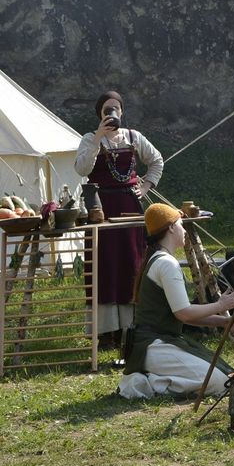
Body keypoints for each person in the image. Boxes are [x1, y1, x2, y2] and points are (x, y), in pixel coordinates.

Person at [118, 203, 234, 399]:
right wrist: (221, 305)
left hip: (160, 343)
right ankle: (146, 383)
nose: (183, 230)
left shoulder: (160, 259)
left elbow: (183, 314)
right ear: (171, 228)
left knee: (226, 374)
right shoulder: (166, 263)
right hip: (152, 346)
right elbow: (184, 313)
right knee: (220, 382)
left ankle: (153, 376)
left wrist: (224, 321)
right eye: (180, 224)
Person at [75, 90, 165, 347]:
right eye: (107, 109)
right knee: (104, 265)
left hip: (130, 208)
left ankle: (130, 328)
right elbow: (82, 168)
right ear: (100, 113)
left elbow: (157, 160)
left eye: (115, 108)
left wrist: (145, 187)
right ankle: (105, 331)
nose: (112, 112)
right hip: (100, 209)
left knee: (131, 263)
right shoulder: (90, 139)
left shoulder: (133, 137)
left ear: (122, 111)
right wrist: (98, 137)